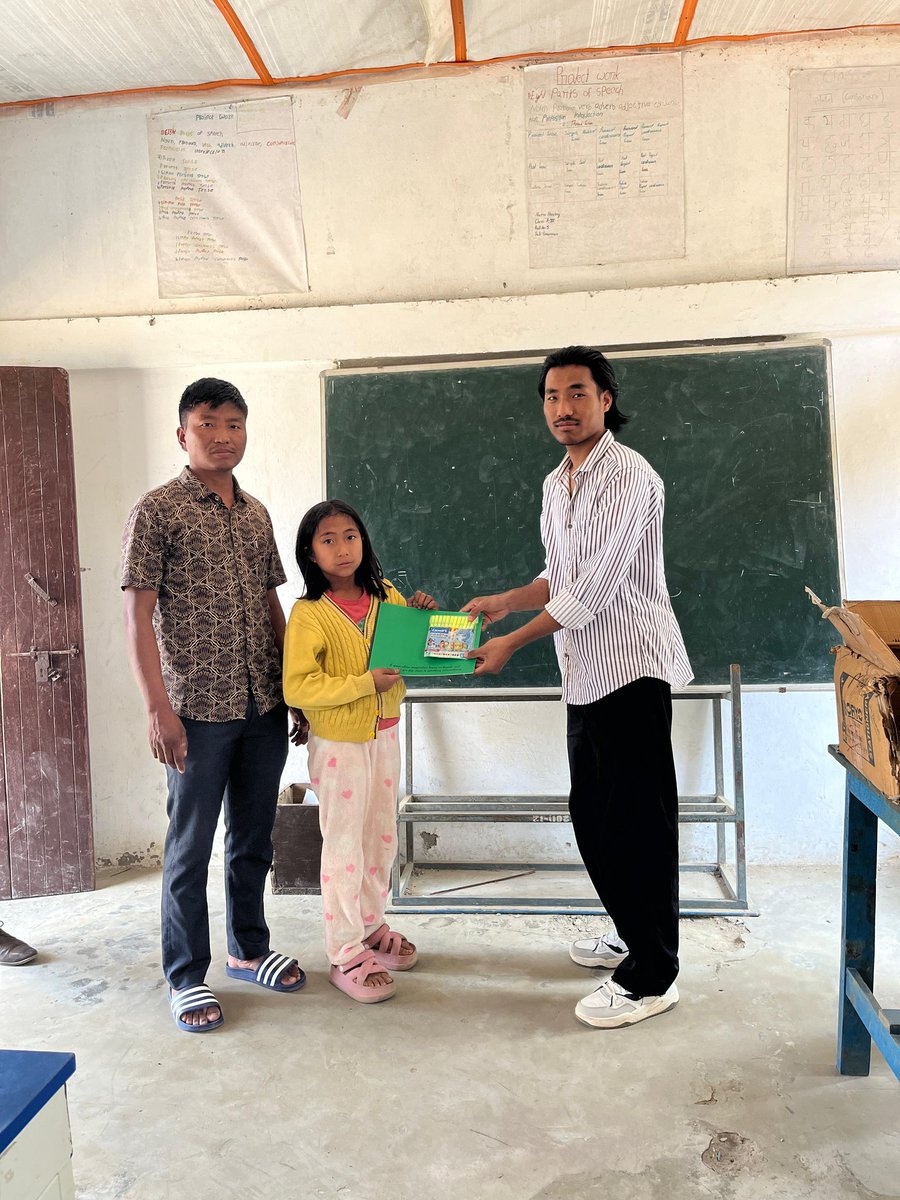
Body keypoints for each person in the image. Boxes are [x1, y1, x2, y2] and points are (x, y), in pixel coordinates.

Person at [462, 346, 693, 1030]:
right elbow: (559, 574)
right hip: (586, 672)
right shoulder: (555, 482)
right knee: (597, 814)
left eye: (577, 393)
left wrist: (510, 642)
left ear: (606, 399)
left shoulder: (627, 475)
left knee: (638, 824)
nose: (563, 408)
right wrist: (505, 601)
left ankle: (654, 975)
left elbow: (592, 589)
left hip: (631, 666)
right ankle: (632, 932)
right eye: (551, 396)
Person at [122, 377, 307, 1034]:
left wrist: (297, 687)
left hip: (262, 703)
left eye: (233, 424)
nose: (222, 436)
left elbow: (270, 603)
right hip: (195, 709)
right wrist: (156, 709)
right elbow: (136, 615)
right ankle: (184, 974)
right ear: (183, 434)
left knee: (253, 839)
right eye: (208, 424)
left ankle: (248, 949)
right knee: (190, 847)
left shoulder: (256, 512)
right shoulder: (158, 510)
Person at [283, 500, 435, 1004]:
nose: (342, 547)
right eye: (328, 539)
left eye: (351, 535)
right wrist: (362, 684)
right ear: (310, 552)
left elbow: (406, 658)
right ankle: (344, 950)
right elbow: (298, 688)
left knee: (380, 839)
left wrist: (420, 624)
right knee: (344, 845)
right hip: (339, 743)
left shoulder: (386, 596)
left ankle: (372, 925)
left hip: (385, 732)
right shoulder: (309, 615)